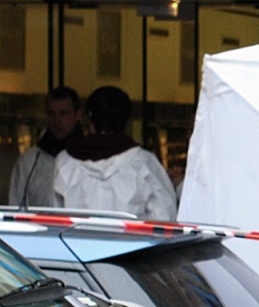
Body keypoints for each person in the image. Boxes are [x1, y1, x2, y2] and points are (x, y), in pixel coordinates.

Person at [52, 85, 178, 221]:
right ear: (126, 120)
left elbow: (53, 216)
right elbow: (165, 218)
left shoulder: (65, 162)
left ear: (89, 119)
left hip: (73, 241)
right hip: (132, 241)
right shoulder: (143, 163)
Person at [5, 86, 81, 208]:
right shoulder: (28, 162)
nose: (57, 120)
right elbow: (15, 205)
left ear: (77, 115)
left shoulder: (90, 162)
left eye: (64, 113)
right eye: (52, 114)